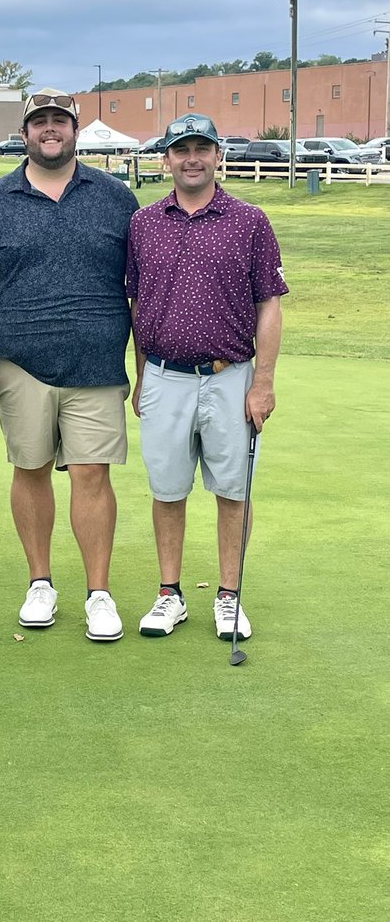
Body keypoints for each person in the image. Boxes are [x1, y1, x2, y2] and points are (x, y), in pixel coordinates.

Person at [0, 88, 138, 641]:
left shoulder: (116, 197)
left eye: (60, 121)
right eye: (40, 122)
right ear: (25, 132)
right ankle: (40, 583)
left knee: (92, 474)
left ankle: (99, 593)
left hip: (97, 364)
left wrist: (144, 363)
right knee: (30, 469)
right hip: (22, 363)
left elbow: (141, 286)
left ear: (76, 130)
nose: (50, 129)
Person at [127, 113, 288, 643]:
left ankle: (229, 595)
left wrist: (263, 383)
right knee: (167, 489)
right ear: (166, 159)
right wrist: (141, 375)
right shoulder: (144, 223)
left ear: (219, 155)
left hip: (231, 377)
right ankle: (169, 594)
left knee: (233, 490)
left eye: (202, 148)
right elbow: (137, 304)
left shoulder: (250, 221)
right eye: (181, 149)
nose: (191, 159)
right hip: (164, 376)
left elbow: (269, 305)